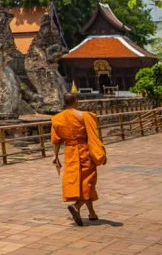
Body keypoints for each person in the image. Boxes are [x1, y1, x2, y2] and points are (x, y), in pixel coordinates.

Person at [51, 92, 107, 226]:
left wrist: (55, 155)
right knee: (88, 181)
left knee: (79, 182)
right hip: (84, 151)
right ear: (76, 101)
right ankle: (77, 206)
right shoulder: (85, 116)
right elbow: (94, 136)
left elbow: (56, 140)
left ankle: (92, 213)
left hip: (70, 152)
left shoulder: (57, 118)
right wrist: (100, 150)